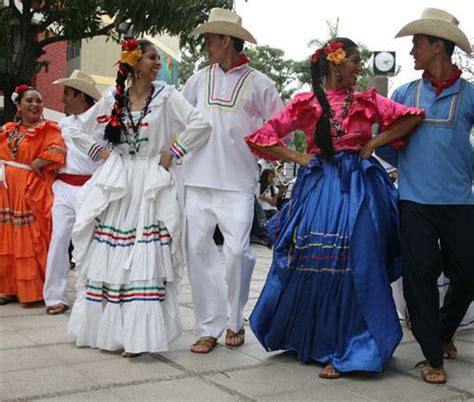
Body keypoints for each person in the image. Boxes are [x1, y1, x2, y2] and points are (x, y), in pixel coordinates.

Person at [245, 38, 424, 379]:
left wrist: (373, 142)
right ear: (335, 63)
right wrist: (298, 156)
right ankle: (312, 340)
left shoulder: (368, 100)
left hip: (359, 187)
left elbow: (410, 118)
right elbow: (261, 136)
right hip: (319, 187)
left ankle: (353, 345)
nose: (360, 68)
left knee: (358, 260)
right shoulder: (305, 102)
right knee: (312, 259)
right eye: (355, 61)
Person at [67, 38, 211, 356]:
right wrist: (100, 152)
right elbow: (76, 129)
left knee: (146, 258)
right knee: (113, 257)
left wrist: (173, 152)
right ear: (134, 63)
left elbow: (201, 124)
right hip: (119, 182)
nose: (157, 63)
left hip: (149, 181)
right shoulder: (114, 97)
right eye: (151, 57)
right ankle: (109, 332)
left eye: (158, 57)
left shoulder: (167, 96)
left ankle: (139, 337)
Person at [181, 8, 284, 353]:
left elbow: (279, 125)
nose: (205, 46)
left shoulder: (259, 82)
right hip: (196, 179)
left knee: (239, 251)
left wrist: (274, 167)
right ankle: (209, 326)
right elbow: (179, 118)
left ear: (226, 40)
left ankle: (234, 319)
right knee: (197, 250)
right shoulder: (197, 79)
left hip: (239, 181)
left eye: (209, 40)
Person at [386, 8, 473, 385]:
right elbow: (386, 141)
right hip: (414, 201)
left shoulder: (469, 95)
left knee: (469, 275)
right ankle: (432, 355)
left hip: (460, 201)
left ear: (439, 47)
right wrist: (405, 164)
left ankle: (442, 330)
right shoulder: (404, 92)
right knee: (419, 273)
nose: (412, 53)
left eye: (418, 44)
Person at [42, 70, 102, 315]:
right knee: (59, 239)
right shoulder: (63, 124)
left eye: (67, 93)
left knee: (90, 244)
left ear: (80, 96)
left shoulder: (103, 122)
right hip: (64, 188)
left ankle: (88, 294)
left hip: (92, 188)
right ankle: (54, 296)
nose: (63, 98)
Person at [0, 85, 66, 305]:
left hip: (31, 190)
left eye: (38, 101)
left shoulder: (48, 129)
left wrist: (37, 161)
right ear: (18, 106)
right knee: (7, 237)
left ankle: (32, 290)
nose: (35, 105)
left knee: (30, 237)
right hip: (7, 191)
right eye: (29, 101)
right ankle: (9, 288)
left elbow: (57, 150)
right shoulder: (8, 130)